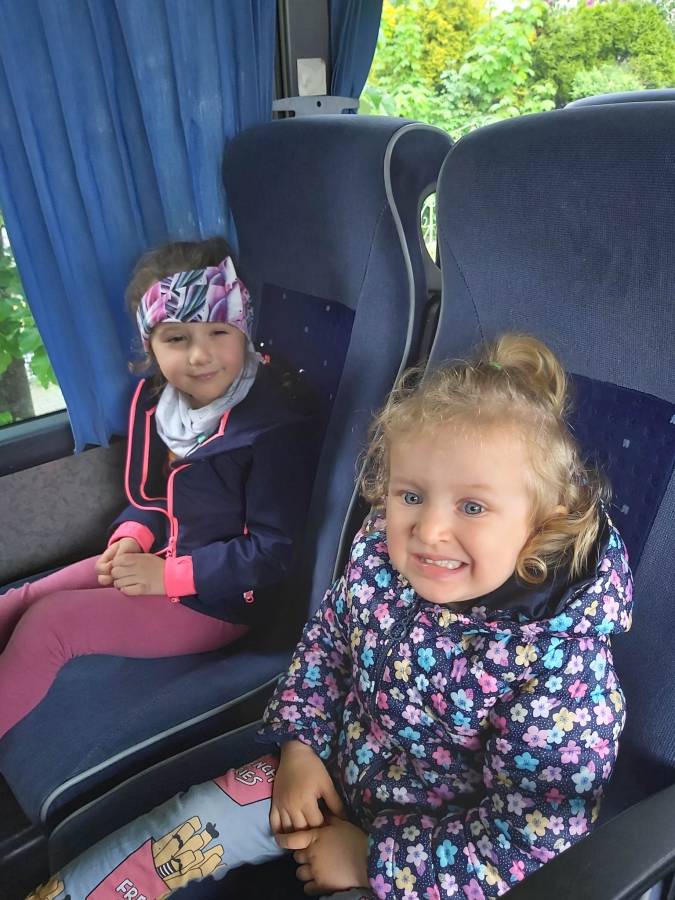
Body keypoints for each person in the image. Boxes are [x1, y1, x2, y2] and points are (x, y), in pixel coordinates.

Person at [26, 333, 632, 900]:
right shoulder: (381, 558)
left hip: (431, 866)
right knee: (185, 826)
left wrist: (373, 861)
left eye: (472, 507)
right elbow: (326, 647)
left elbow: (532, 843)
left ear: (544, 523)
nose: (428, 530)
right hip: (330, 771)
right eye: (411, 495)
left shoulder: (562, 673)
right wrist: (301, 746)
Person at [0, 237, 316, 740]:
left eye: (219, 331)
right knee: (22, 598)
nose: (200, 355)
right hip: (159, 557)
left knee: (49, 623)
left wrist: (167, 577)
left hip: (217, 599)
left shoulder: (271, 430)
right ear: (151, 347)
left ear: (244, 331)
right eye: (177, 338)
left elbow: (272, 553)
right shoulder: (160, 405)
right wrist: (132, 537)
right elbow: (153, 496)